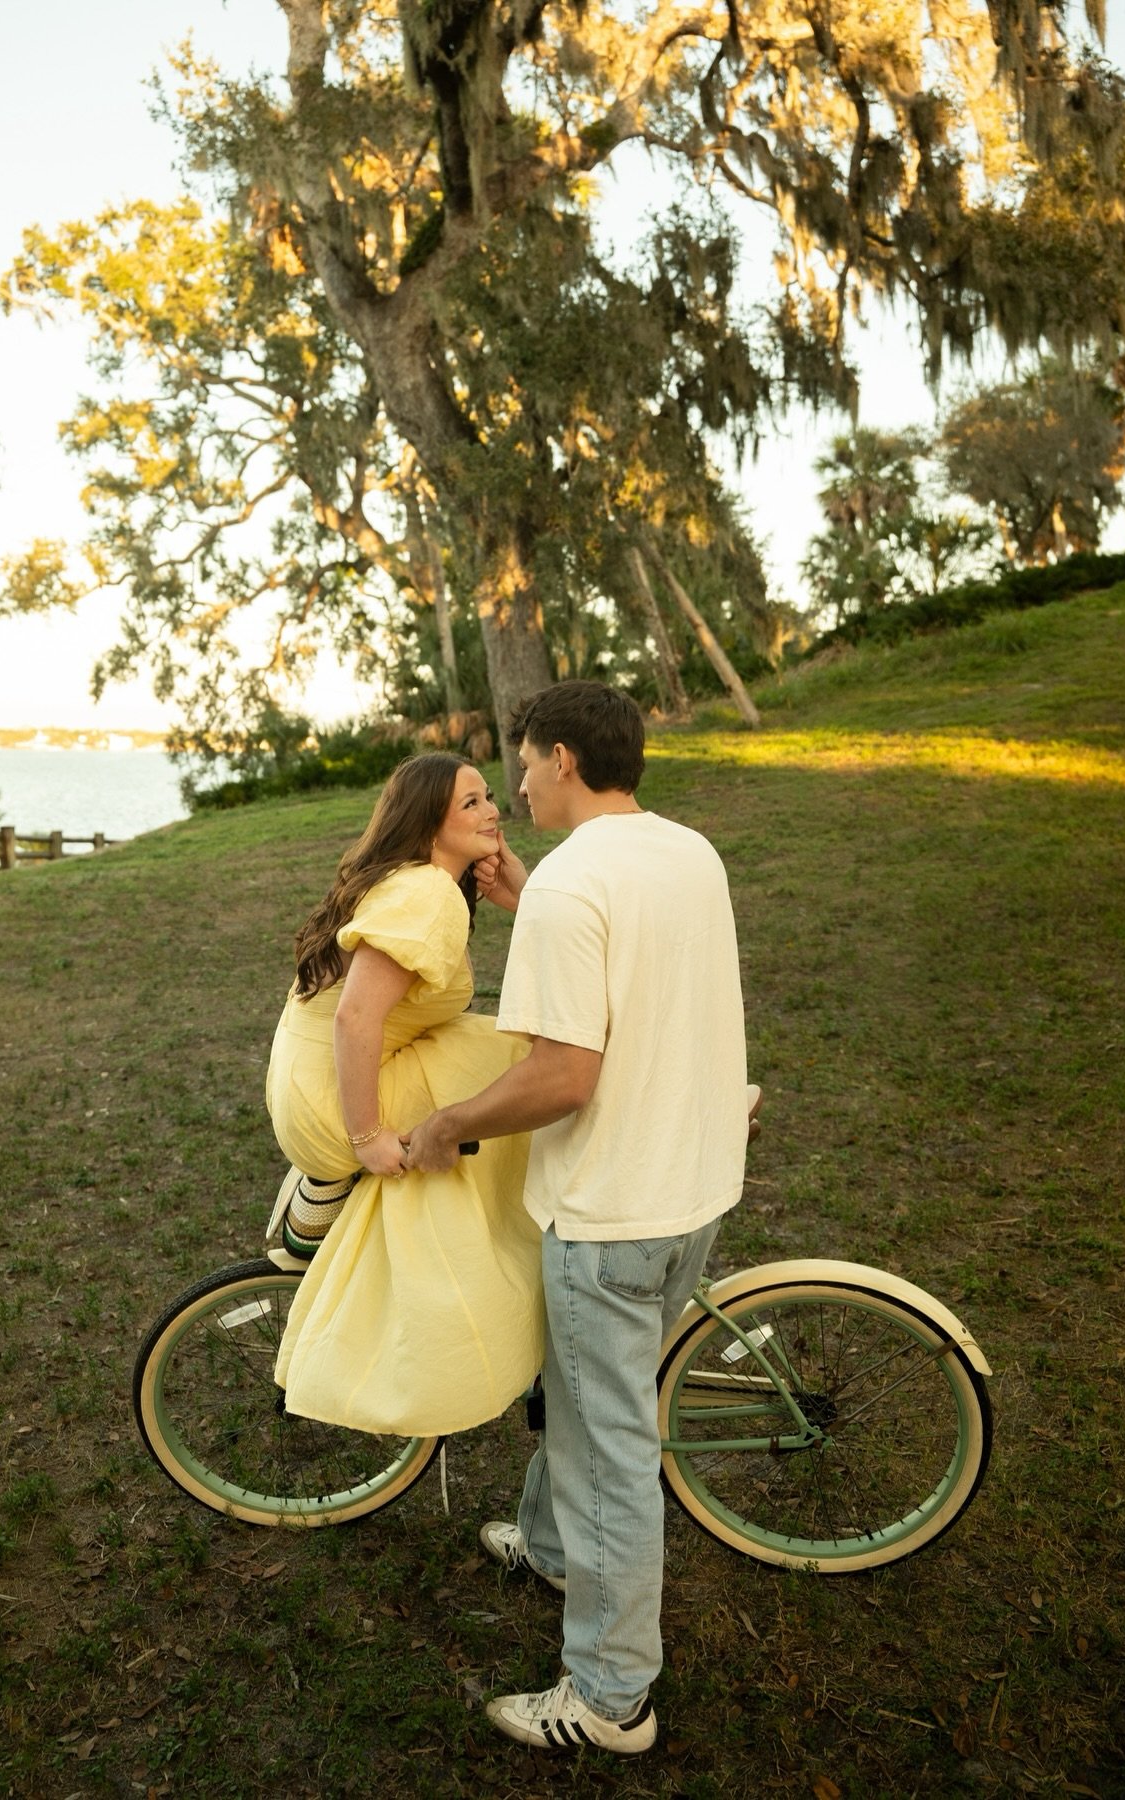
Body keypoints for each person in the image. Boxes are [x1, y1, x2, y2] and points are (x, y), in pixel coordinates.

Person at [405, 681, 749, 1757]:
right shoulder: (685, 851)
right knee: (582, 1390)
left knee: (607, 1451)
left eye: (520, 763)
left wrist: (452, 1120)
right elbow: (636, 974)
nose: (511, 786)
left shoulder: (570, 888)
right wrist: (529, 901)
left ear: (559, 757)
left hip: (612, 1211)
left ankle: (609, 1698)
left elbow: (563, 1077)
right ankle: (554, 1548)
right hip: (693, 1181)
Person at [265, 752, 542, 1437]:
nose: (493, 811)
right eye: (471, 803)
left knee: (508, 1046)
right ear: (428, 823)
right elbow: (357, 1018)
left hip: (309, 1085)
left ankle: (320, 1203)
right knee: (527, 1062)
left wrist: (524, 894)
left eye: (489, 798)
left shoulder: (417, 882)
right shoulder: (426, 893)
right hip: (336, 1100)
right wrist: (367, 1137)